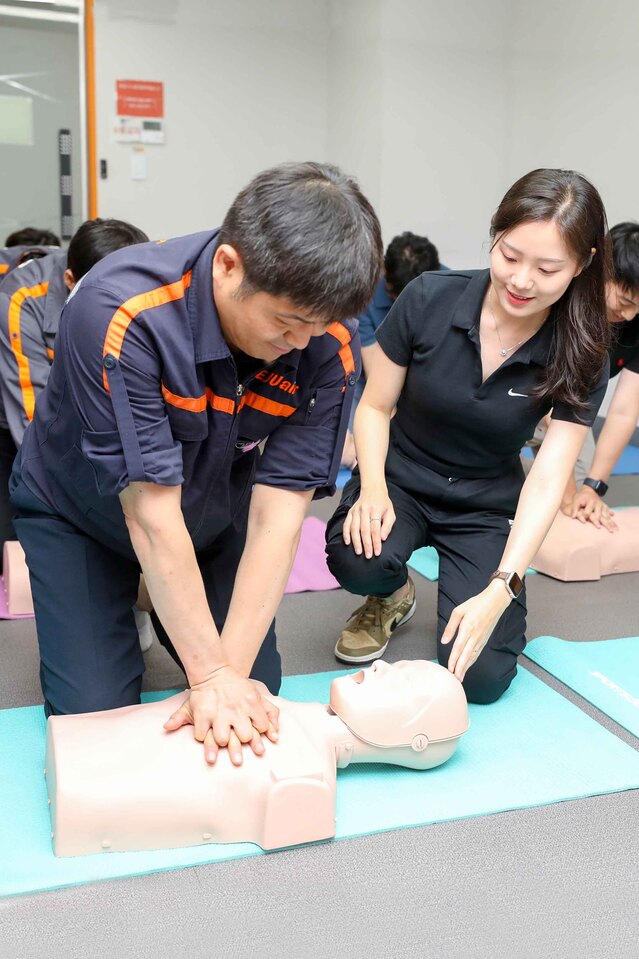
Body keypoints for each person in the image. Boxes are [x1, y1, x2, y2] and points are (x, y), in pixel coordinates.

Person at [11, 162, 382, 766]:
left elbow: (276, 518)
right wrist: (206, 677)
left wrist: (227, 678)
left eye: (317, 327)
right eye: (287, 323)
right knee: (95, 726)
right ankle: (124, 600)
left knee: (257, 698)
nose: (300, 342)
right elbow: (151, 517)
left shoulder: (325, 338)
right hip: (82, 513)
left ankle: (160, 602)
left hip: (211, 513)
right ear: (229, 265)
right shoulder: (121, 313)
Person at [326, 168, 611, 706]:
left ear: (583, 263)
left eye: (547, 268)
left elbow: (549, 476)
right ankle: (390, 593)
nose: (522, 281)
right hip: (400, 480)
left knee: (479, 680)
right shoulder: (429, 297)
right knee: (358, 556)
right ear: (494, 237)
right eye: (509, 256)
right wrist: (372, 489)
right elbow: (375, 405)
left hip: (483, 502)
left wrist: (504, 585)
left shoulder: (582, 348)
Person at [46, 659, 469, 856]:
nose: (380, 665)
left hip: (83, 791)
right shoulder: (267, 697)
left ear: (416, 740)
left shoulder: (306, 782)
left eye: (403, 681)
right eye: (398, 664)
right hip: (79, 750)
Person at [0, 219, 148, 563]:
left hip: (91, 408)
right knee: (30, 541)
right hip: (15, 414)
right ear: (70, 282)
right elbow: (34, 422)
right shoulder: (19, 300)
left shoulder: (146, 279)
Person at [559, 221, 639, 530]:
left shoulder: (635, 322)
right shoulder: (567, 301)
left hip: (571, 415)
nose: (629, 316)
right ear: (604, 271)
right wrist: (565, 494)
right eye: (625, 302)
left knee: (580, 503)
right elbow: (552, 410)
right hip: (522, 403)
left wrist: (592, 487)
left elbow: (623, 411)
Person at [341, 232, 441, 467]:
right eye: (393, 294)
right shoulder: (365, 294)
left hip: (426, 378)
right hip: (373, 378)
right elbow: (378, 373)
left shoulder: (447, 287)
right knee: (352, 444)